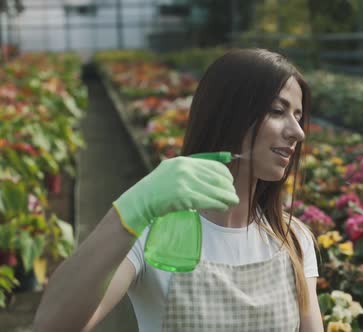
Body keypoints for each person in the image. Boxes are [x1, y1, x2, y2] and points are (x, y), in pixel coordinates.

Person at [33, 48, 324, 332]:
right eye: (277, 111)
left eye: (298, 116)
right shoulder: (155, 235)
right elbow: (52, 325)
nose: (298, 132)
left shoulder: (293, 240)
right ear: (227, 114)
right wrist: (131, 209)